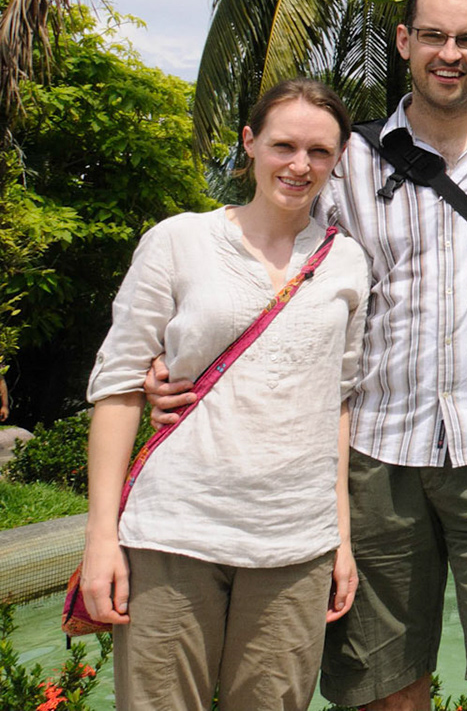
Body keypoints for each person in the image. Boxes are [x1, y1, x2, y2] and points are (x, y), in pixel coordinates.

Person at [150, 0, 467, 711]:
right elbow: (280, 265)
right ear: (405, 42)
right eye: (434, 36)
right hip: (377, 450)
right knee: (384, 686)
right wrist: (184, 357)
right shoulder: (349, 160)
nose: (450, 53)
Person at [83, 78, 369, 710]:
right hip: (174, 529)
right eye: (283, 145)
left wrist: (339, 538)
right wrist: (102, 535)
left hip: (294, 540)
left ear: (339, 159)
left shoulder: (347, 263)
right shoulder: (179, 240)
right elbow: (121, 386)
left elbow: (338, 403)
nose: (300, 165)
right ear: (250, 144)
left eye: (319, 152)